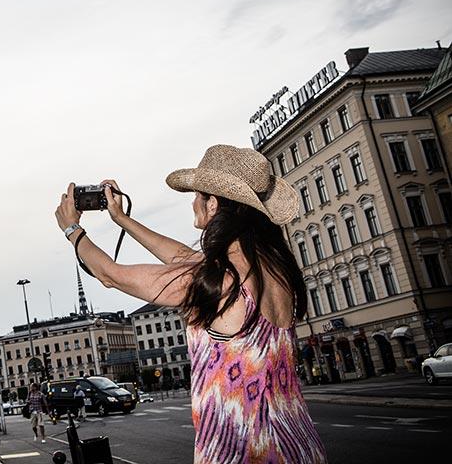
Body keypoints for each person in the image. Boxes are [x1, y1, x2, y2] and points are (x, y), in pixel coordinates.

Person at [54, 145, 327, 463]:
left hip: (242, 452)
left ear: (213, 204)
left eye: (197, 194)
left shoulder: (220, 282)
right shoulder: (274, 270)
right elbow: (183, 257)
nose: (193, 200)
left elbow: (110, 275)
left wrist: (72, 230)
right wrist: (123, 220)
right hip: (298, 446)